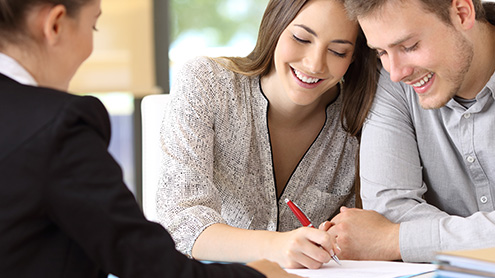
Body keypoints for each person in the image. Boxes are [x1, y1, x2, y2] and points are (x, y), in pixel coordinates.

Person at [0, 0, 300, 277]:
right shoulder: (58, 127)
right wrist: (261, 275)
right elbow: (148, 265)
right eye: (93, 25)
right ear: (56, 24)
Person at [324, 0, 495, 263]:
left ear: (462, 12)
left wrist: (394, 240)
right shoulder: (392, 80)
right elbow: (389, 210)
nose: (396, 71)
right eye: (382, 52)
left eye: (409, 46)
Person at [156, 0, 378, 269]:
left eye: (337, 51)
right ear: (276, 25)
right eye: (301, 38)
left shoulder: (363, 122)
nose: (315, 64)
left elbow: (367, 231)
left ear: (353, 58)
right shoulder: (207, 84)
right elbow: (180, 221)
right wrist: (276, 246)